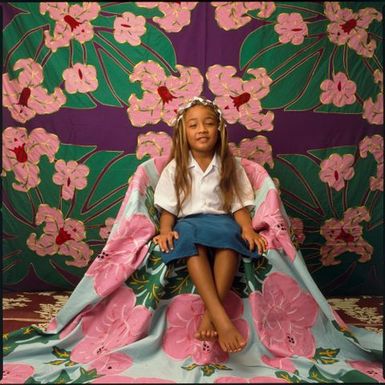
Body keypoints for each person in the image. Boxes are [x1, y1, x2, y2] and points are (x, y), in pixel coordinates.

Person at [153, 96, 267, 354]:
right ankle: (221, 317)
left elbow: (238, 205)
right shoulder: (176, 168)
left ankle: (210, 316)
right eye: (193, 125)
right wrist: (164, 230)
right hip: (188, 223)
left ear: (220, 129)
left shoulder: (231, 165)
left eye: (208, 123)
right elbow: (169, 208)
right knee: (190, 242)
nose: (201, 130)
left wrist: (247, 229)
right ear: (183, 132)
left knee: (231, 240)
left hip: (221, 221)